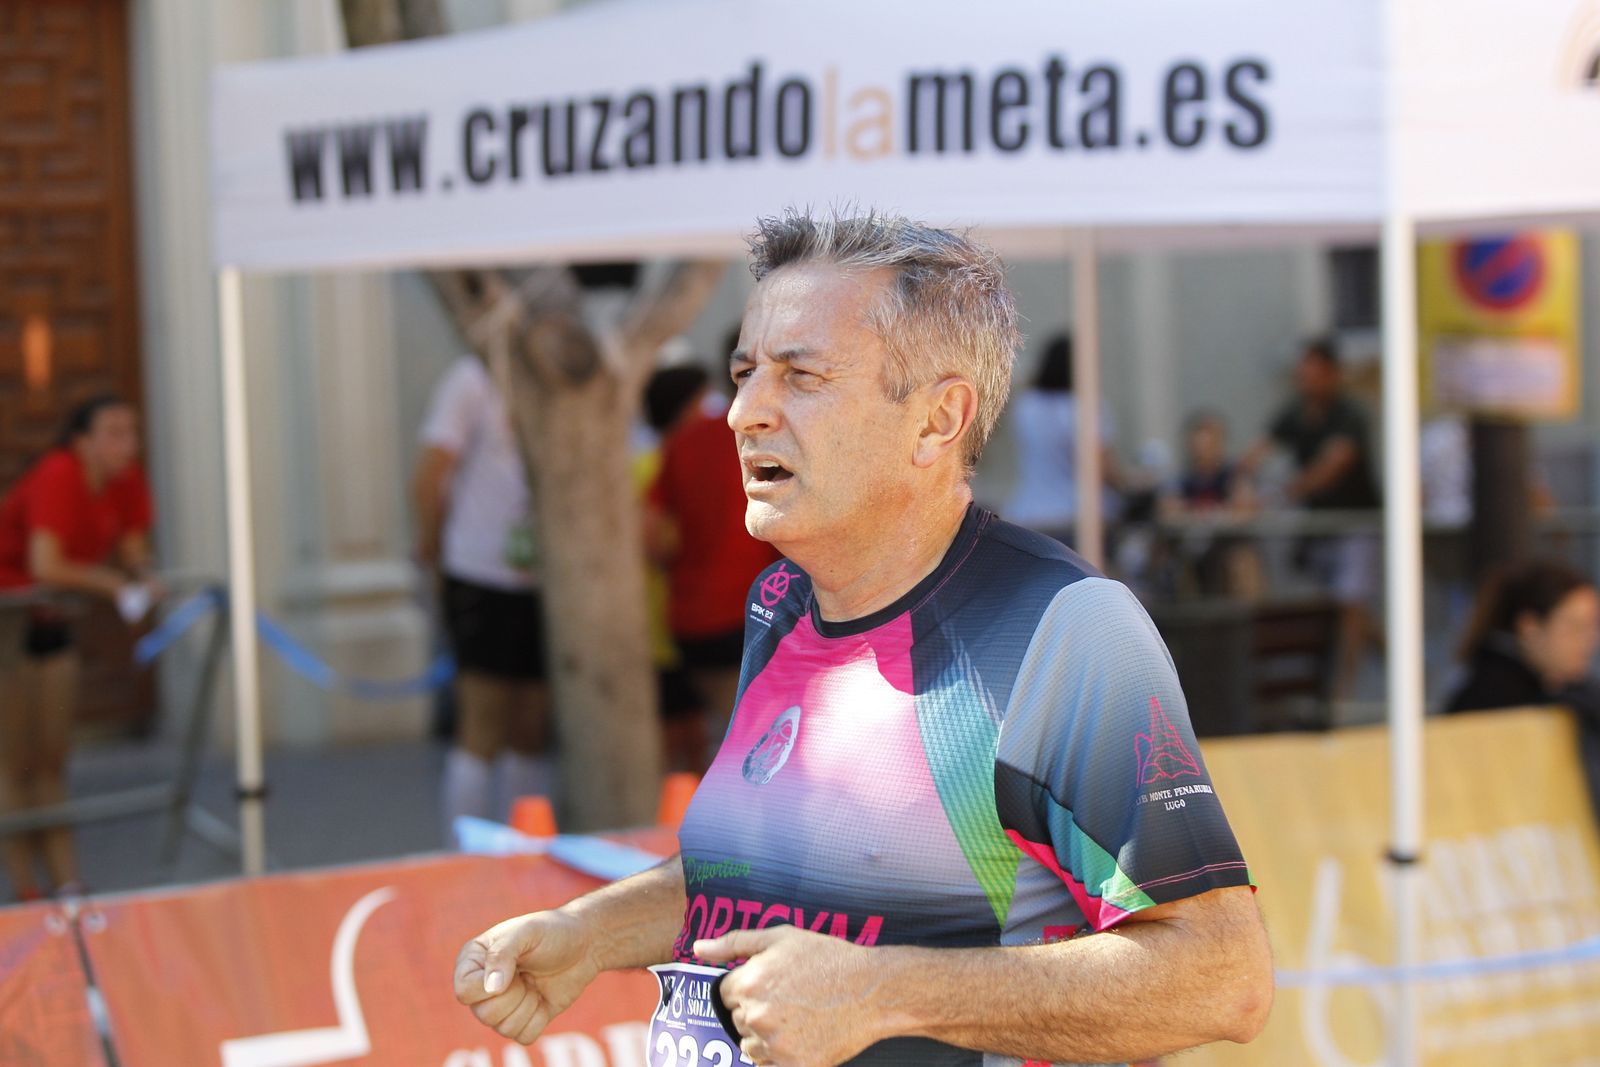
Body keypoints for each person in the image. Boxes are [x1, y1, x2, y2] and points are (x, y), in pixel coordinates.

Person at [453, 211, 1271, 1065]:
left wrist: (883, 992)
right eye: (744, 372)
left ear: (936, 420)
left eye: (800, 377)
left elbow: (1222, 975)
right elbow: (764, 872)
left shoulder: (1060, 628)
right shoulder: (782, 603)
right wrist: (588, 933)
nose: (743, 412)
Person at [0, 394, 155, 901]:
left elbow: (134, 548)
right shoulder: (59, 472)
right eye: (113, 432)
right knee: (14, 760)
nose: (126, 443)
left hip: (51, 621)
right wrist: (113, 585)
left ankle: (68, 880)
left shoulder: (125, 479)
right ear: (81, 441)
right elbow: (46, 564)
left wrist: (144, 577)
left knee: (52, 757)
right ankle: (26, 886)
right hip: (10, 616)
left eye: (131, 431)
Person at [414, 356, 552, 843]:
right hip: (479, 570)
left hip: (546, 577)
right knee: (483, 719)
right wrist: (432, 550)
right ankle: (463, 856)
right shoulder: (471, 377)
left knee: (531, 724)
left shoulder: (554, 373)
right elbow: (431, 472)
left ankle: (524, 852)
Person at [646, 362, 780, 765]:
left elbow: (653, 538)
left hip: (695, 621)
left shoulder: (681, 443)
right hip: (762, 611)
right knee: (756, 745)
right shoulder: (775, 438)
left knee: (728, 739)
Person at [1241, 339, 1382, 697]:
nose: (1305, 380)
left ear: (1331, 374)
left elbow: (1333, 465)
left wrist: (1278, 495)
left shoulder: (1350, 413)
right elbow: (1257, 452)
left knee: (1350, 606)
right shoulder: (1297, 412)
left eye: (1312, 372)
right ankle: (1405, 665)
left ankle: (1341, 694)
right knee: (1343, 610)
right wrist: (1238, 483)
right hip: (1319, 529)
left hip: (1354, 524)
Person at [1445, 559, 1600, 819]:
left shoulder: (1567, 692)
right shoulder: (1497, 699)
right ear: (1530, 629)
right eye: (1573, 626)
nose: (1588, 640)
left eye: (1592, 626)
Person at [1002, 333, 1123, 542]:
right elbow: (1103, 468)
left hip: (1029, 513)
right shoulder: (1086, 407)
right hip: (1078, 515)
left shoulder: (1026, 406)